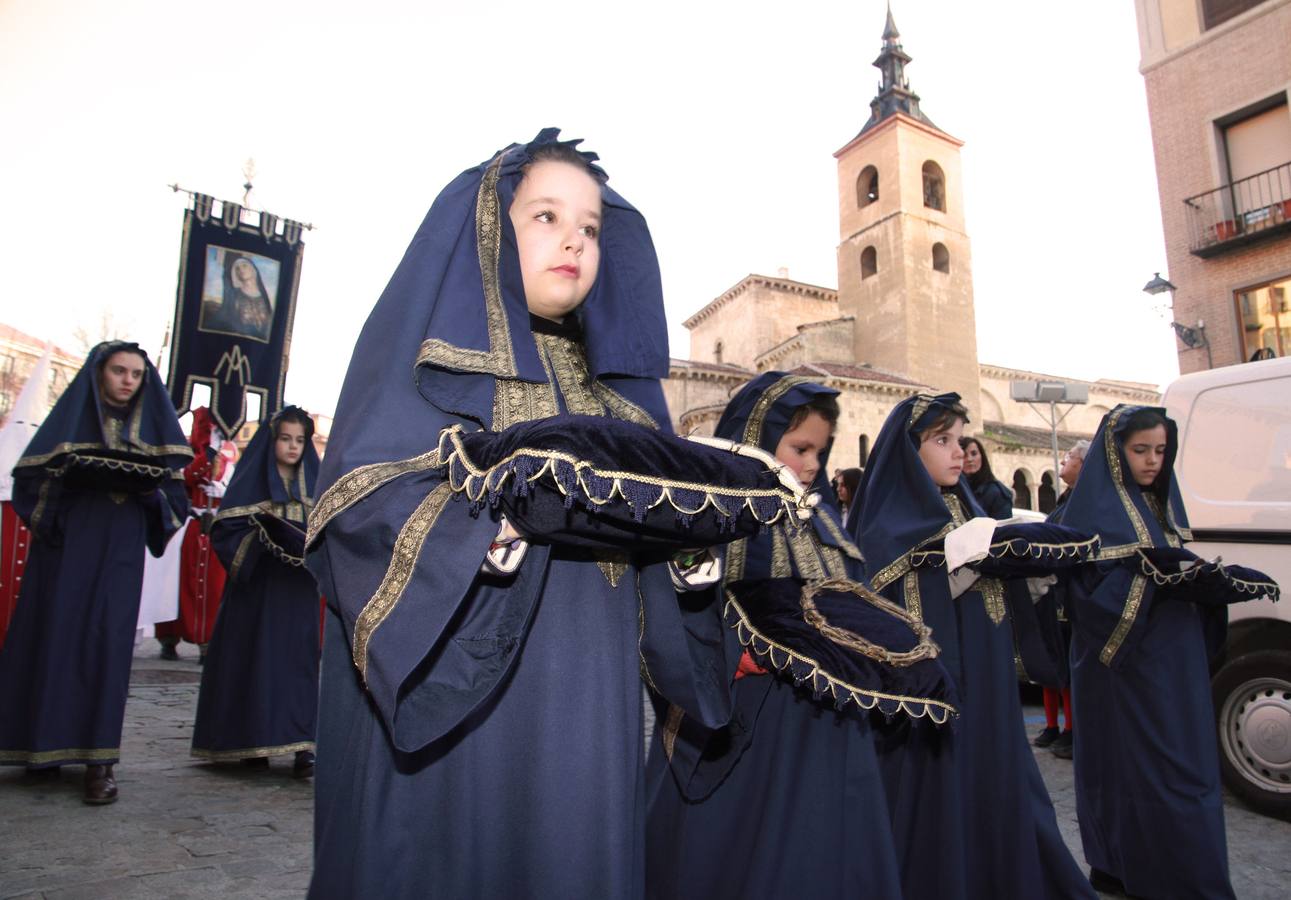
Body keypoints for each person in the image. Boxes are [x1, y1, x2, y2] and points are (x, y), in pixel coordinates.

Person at [304, 130, 737, 898]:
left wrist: (688, 552)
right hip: (448, 689)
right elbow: (355, 508)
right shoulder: (426, 367)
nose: (574, 236)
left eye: (591, 227)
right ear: (490, 228)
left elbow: (657, 563)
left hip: (584, 695)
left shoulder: (623, 402)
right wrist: (479, 531)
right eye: (545, 215)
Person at [647, 374, 953, 900]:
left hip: (828, 722)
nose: (812, 464)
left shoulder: (827, 524)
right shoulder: (709, 515)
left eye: (821, 450)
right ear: (757, 438)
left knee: (824, 842)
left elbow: (851, 605)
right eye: (800, 448)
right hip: (745, 713)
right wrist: (728, 652)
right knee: (734, 841)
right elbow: (673, 606)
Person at [854, 392, 1094, 900]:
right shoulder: (885, 525)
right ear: (907, 451)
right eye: (942, 440)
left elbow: (993, 585)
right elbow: (886, 607)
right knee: (944, 794)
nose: (958, 452)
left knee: (1002, 787)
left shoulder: (968, 507)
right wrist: (948, 568)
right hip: (942, 693)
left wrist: (1025, 575)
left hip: (990, 686)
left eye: (960, 440)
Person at [1055, 406, 1250, 898]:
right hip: (1126, 669)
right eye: (1140, 450)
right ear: (1115, 453)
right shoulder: (1085, 517)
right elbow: (1086, 602)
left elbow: (1173, 573)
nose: (1152, 462)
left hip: (1173, 666)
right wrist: (1152, 579)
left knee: (1183, 765)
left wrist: (1209, 586)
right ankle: (1141, 869)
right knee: (1147, 769)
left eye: (1161, 451)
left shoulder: (1161, 509)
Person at [0, 341, 190, 804]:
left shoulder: (153, 436)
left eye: (136, 374)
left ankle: (99, 762)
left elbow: (175, 503)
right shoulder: (69, 426)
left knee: (106, 646)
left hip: (119, 553)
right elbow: (30, 488)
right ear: (99, 373)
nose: (127, 380)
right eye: (118, 371)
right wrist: (66, 486)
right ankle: (39, 749)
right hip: (67, 551)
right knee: (53, 639)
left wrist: (146, 492)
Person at [191, 406, 320, 776]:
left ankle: (302, 744)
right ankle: (252, 740)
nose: (293, 447)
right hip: (257, 592)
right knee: (255, 663)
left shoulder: (315, 486)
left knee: (299, 667)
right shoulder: (250, 484)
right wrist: (260, 540)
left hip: (298, 594)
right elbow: (225, 531)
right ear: (272, 440)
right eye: (285, 439)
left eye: (299, 440)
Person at [155, 407, 235, 661]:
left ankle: (207, 640)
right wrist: (204, 460)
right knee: (179, 584)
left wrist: (222, 490)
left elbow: (236, 486)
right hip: (190, 526)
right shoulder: (187, 452)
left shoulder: (228, 455)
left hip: (212, 525)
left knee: (212, 585)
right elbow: (184, 479)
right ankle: (169, 638)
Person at [1035, 438, 1089, 756]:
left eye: (1068, 457)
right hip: (1053, 591)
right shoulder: (1065, 499)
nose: (1063, 461)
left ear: (1082, 464)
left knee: (1067, 662)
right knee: (1052, 659)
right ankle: (1054, 725)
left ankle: (1071, 728)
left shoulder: (1082, 502)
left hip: (1069, 592)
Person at [203, 254, 273, 340]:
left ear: (253, 269)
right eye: (237, 268)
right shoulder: (234, 295)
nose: (241, 270)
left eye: (244, 266)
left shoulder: (264, 298)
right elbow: (227, 319)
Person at [960, 434, 1013, 518]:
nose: (969, 459)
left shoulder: (996, 493)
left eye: (974, 454)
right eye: (964, 455)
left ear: (982, 457)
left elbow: (1003, 527)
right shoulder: (955, 489)